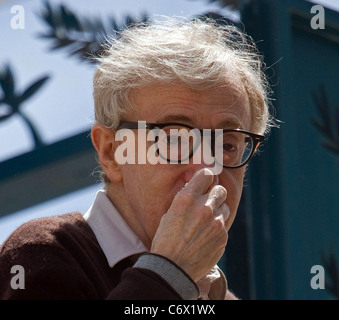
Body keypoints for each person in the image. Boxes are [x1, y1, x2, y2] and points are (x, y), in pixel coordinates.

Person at [0, 17, 273, 300]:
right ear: (111, 152)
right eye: (174, 139)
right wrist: (170, 274)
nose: (207, 169)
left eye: (228, 145)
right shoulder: (41, 252)